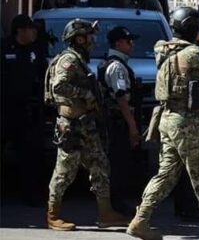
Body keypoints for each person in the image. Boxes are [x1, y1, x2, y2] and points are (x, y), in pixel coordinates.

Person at [126, 7, 199, 240]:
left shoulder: (163, 50)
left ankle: (140, 220)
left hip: (167, 119)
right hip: (189, 122)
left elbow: (185, 63)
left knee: (166, 173)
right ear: (194, 30)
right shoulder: (195, 54)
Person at [45, 19, 129, 231]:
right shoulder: (69, 60)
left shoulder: (80, 59)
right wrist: (85, 94)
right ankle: (52, 214)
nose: (92, 41)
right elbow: (59, 87)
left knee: (100, 165)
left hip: (86, 124)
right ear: (79, 38)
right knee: (65, 171)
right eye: (89, 36)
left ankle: (106, 213)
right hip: (71, 125)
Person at [1, 14, 46, 206]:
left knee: (28, 154)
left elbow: (43, 75)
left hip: (24, 110)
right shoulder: (3, 48)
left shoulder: (35, 51)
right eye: (30, 29)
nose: (34, 32)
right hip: (2, 109)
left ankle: (30, 195)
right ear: (20, 31)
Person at [97, 26, 142, 215]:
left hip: (116, 120)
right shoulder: (116, 67)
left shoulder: (111, 62)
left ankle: (118, 201)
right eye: (128, 41)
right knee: (119, 162)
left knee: (120, 161)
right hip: (118, 121)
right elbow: (121, 99)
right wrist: (132, 126)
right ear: (118, 43)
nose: (132, 44)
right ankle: (117, 204)